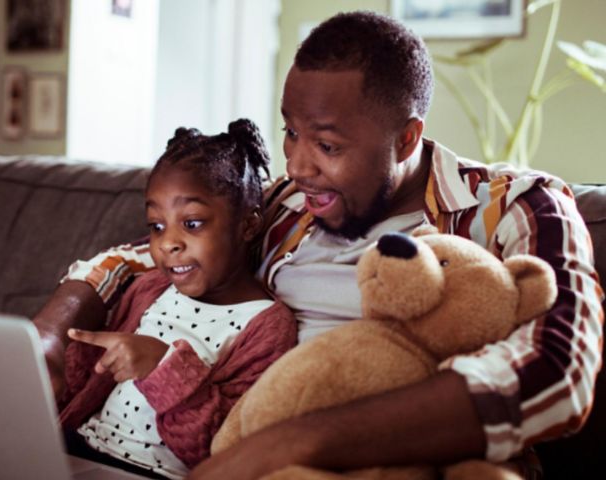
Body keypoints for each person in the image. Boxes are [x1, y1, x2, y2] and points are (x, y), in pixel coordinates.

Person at [34, 11, 604, 479]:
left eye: (327, 145)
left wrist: (292, 443)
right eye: (290, 132)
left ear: (407, 137)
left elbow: (560, 370)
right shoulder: (284, 205)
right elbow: (144, 255)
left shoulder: (516, 206)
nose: (297, 165)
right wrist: (52, 337)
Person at [54, 119, 297, 479]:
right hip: (83, 451)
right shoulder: (150, 288)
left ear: (248, 225)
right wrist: (69, 366)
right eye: (156, 225)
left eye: (192, 223)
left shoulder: (267, 328)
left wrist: (163, 368)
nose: (167, 243)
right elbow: (92, 386)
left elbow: (222, 448)